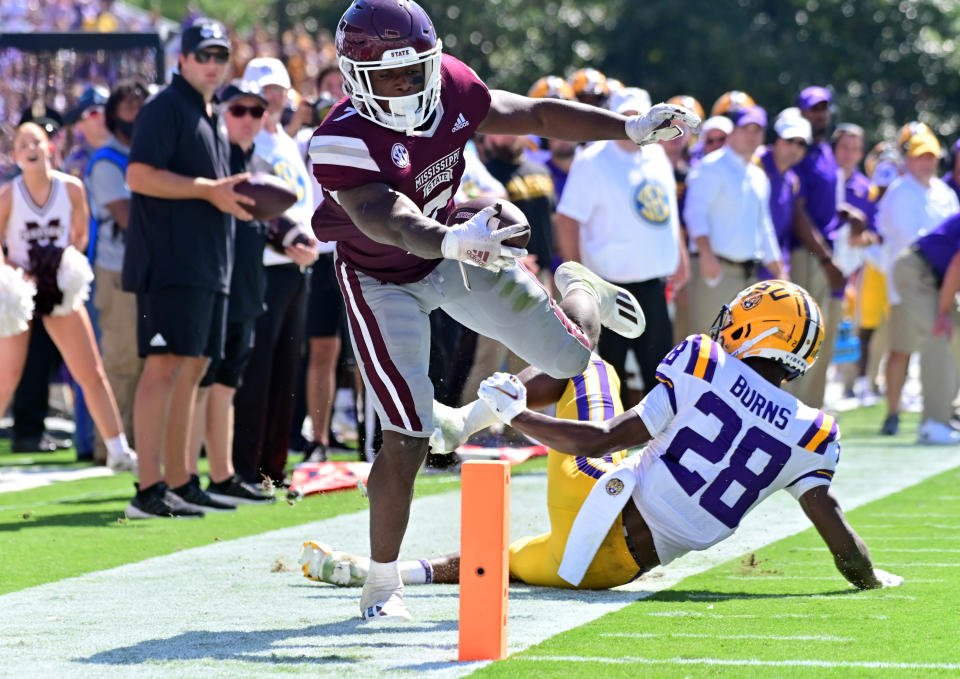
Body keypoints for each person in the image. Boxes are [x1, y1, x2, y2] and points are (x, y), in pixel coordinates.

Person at [307, 0, 699, 622]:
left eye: (417, 72)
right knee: (407, 434)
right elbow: (387, 219)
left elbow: (534, 112)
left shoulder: (454, 85)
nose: (409, 87)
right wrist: (451, 239)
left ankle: (576, 293)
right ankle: (382, 587)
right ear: (356, 74)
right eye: (393, 76)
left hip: (455, 248)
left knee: (571, 357)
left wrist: (624, 127)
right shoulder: (339, 140)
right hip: (382, 276)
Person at [301, 280, 903, 593]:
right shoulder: (814, 432)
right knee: (500, 567)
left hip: (597, 500)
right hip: (605, 569)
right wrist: (870, 578)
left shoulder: (704, 362)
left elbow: (598, 440)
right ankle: (381, 572)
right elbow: (842, 541)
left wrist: (517, 419)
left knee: (588, 364)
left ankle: (578, 301)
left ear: (753, 325)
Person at [122, 18, 256, 519]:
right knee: (163, 366)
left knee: (195, 368)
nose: (213, 64)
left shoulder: (213, 113)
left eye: (220, 55)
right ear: (182, 58)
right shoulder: (164, 105)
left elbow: (215, 193)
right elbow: (137, 174)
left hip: (207, 266)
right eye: (204, 55)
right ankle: (147, 488)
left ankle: (180, 480)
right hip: (169, 264)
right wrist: (207, 190)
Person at [0, 122, 137, 473]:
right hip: (20, 293)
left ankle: (118, 449)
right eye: (23, 144)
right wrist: (19, 272)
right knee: (7, 375)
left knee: (90, 370)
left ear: (50, 148)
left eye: (37, 142)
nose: (31, 148)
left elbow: (79, 236)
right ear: (15, 156)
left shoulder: (72, 188)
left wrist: (60, 266)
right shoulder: (8, 195)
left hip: (58, 290)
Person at [556, 87, 686, 408]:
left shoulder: (657, 155)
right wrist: (577, 276)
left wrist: (680, 257)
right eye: (626, 116)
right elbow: (568, 220)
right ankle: (613, 441)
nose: (635, 123)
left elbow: (667, 211)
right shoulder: (592, 160)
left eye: (640, 116)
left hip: (654, 283)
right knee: (611, 371)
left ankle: (661, 439)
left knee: (659, 367)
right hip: (608, 288)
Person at [187, 80, 278, 504]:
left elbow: (270, 221)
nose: (247, 119)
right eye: (237, 110)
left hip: (245, 285)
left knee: (226, 381)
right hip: (211, 281)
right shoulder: (211, 158)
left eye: (256, 111)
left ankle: (221, 475)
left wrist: (291, 234)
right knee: (199, 380)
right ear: (220, 113)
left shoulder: (257, 162)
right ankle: (183, 477)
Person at [232, 57, 319, 486]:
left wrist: (306, 242)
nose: (271, 99)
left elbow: (301, 204)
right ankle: (246, 466)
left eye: (277, 91)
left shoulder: (286, 142)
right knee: (258, 369)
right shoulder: (248, 144)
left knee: (288, 370)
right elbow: (251, 205)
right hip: (266, 266)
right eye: (262, 92)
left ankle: (274, 466)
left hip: (295, 267)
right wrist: (287, 240)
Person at [876, 130, 959, 437]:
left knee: (947, 337)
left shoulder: (945, 192)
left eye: (931, 156)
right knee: (905, 348)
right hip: (911, 279)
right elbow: (914, 240)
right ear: (908, 159)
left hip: (937, 279)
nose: (926, 162)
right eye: (920, 156)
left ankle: (943, 412)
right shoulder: (899, 191)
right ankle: (905, 416)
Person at [84, 79, 148, 466]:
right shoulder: (108, 161)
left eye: (142, 106)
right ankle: (107, 446)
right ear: (112, 116)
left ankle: (139, 445)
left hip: (143, 272)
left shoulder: (144, 155)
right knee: (120, 361)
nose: (136, 115)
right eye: (128, 108)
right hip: (116, 272)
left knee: (144, 362)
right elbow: (128, 218)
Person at [684, 105, 783, 331]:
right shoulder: (711, 166)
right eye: (745, 128)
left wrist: (778, 270)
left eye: (757, 130)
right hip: (714, 270)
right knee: (706, 345)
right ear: (733, 131)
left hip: (748, 277)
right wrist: (707, 256)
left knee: (738, 349)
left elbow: (763, 225)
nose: (752, 135)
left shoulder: (758, 176)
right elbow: (695, 213)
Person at [755, 110, 811, 280]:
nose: (795, 148)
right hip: (747, 266)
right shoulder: (755, 164)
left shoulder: (793, 181)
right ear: (777, 139)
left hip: (774, 270)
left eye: (801, 144)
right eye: (789, 140)